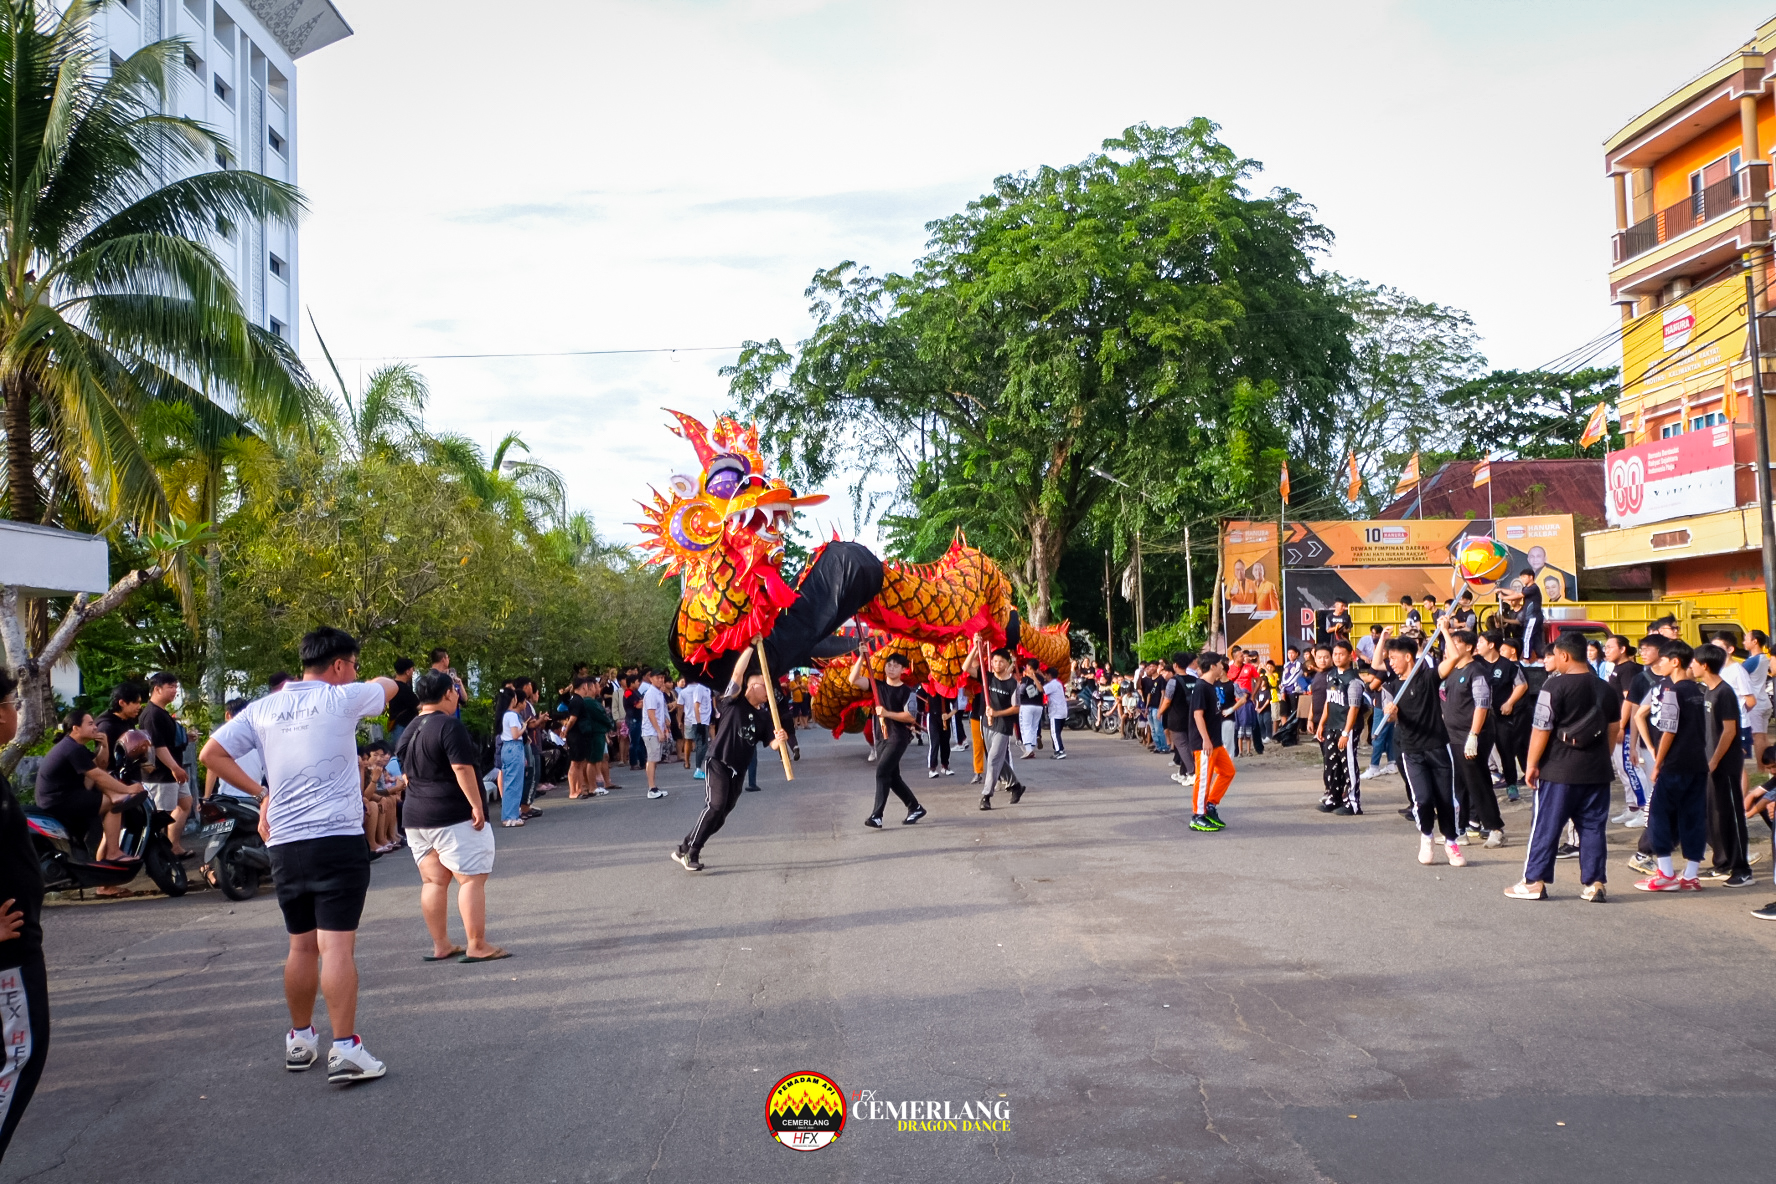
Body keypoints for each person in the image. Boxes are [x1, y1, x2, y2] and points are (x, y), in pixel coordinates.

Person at [200, 626, 398, 1085]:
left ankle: (300, 1039)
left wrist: (260, 792)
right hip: (336, 839)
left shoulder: (262, 708)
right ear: (339, 666)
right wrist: (378, 683)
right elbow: (389, 687)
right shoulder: (343, 697)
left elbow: (211, 752)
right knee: (336, 947)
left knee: (300, 944)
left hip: (285, 842)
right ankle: (346, 1049)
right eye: (353, 666)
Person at [395, 670, 506, 962]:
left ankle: (441, 943)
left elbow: (405, 773)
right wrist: (477, 805)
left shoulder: (410, 728)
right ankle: (476, 944)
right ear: (447, 694)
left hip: (416, 816)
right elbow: (462, 769)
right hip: (451, 813)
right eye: (455, 689)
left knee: (433, 881)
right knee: (470, 880)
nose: (457, 694)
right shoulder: (449, 726)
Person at [1504, 633, 1620, 901]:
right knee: (1592, 827)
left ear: (1565, 655)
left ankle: (1534, 881)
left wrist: (1531, 765)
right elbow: (1615, 729)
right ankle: (1595, 883)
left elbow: (1541, 729)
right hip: (1597, 771)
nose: (1552, 659)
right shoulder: (1605, 688)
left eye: (1554, 654)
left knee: (1546, 826)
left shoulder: (1553, 687)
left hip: (1559, 770)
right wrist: (1603, 755)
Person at [673, 650, 791, 870]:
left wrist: (780, 739)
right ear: (753, 687)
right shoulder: (732, 702)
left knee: (720, 817)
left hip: (738, 771)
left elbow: (771, 744)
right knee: (714, 806)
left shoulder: (764, 716)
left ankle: (684, 846)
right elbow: (738, 673)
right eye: (766, 687)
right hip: (718, 762)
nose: (770, 693)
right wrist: (750, 648)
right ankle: (692, 853)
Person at [0, 666, 51, 1164]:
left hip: (15, 948)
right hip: (6, 955)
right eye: (14, 702)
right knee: (18, 1057)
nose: (18, 711)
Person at [1636, 639, 1710, 892]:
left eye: (1663, 660)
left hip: (1674, 763)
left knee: (1659, 815)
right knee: (1693, 817)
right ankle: (1691, 874)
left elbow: (1668, 730)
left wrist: (1658, 762)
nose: (1659, 665)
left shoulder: (1672, 691)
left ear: (1675, 661)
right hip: (1697, 762)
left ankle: (1666, 872)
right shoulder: (1698, 691)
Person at [1383, 635, 1462, 866]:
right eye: (1389, 659)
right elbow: (1394, 720)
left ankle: (1451, 842)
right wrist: (1393, 713)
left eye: (1395, 658)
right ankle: (1426, 836)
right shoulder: (1392, 686)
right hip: (1412, 750)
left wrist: (1445, 630)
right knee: (1424, 799)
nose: (1391, 663)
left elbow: (1455, 657)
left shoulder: (1428, 677)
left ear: (1409, 657)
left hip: (1438, 746)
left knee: (1446, 799)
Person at [33, 711, 137, 875]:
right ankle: (113, 853)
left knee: (107, 791)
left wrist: (104, 745)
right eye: (90, 724)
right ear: (76, 728)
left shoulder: (75, 746)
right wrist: (127, 789)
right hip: (59, 800)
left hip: (67, 795)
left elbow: (100, 765)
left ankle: (106, 878)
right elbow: (96, 775)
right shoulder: (72, 748)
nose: (96, 727)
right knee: (114, 804)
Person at [1438, 623, 1504, 848]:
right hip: (1452, 735)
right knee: (1459, 784)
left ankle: (1494, 827)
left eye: (1456, 644)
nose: (1450, 648)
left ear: (1469, 648)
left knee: (1477, 781)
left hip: (1474, 735)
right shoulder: (1450, 670)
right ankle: (1460, 829)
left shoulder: (1477, 671)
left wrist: (1474, 735)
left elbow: (1482, 704)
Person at [1692, 644, 1754, 887]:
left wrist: (1715, 760)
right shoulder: (1707, 691)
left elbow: (1729, 732)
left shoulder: (1724, 692)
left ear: (1705, 665)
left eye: (1695, 662)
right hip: (1709, 763)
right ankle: (1723, 862)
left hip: (1724, 765)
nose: (1692, 666)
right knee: (1715, 814)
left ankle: (1742, 868)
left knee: (1732, 815)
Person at [849, 650, 926, 827]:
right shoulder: (878, 686)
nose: (891, 668)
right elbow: (853, 679)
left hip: (898, 737)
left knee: (882, 772)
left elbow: (911, 717)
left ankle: (877, 815)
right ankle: (915, 807)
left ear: (903, 670)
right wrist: (861, 657)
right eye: (889, 665)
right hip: (881, 737)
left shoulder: (908, 692)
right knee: (893, 777)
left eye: (896, 666)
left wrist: (887, 713)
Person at [137, 672, 193, 857]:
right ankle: (161, 856)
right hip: (161, 774)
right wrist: (175, 768)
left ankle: (173, 846)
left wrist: (187, 737)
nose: (175, 691)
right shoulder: (152, 714)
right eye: (171, 686)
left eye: (176, 687)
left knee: (185, 803)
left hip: (173, 770)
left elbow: (168, 739)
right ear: (157, 689)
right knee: (162, 815)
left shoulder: (161, 712)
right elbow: (158, 746)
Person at [963, 645, 1025, 809]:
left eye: (1001, 662)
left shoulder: (1013, 684)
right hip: (987, 724)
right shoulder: (987, 677)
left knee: (992, 760)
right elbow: (966, 667)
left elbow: (1016, 707)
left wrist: (996, 713)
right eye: (995, 661)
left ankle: (986, 796)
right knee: (995, 759)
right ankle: (1015, 786)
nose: (997, 664)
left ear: (1007, 664)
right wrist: (976, 648)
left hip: (1003, 726)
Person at [1476, 631, 1528, 803]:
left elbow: (1522, 685)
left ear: (1491, 645)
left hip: (1501, 716)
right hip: (1481, 716)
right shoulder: (1476, 663)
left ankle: (1511, 784)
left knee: (1506, 749)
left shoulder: (1508, 665)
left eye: (1481, 642)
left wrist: (1509, 702)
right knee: (1480, 751)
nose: (1478, 645)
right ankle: (1483, 784)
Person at [1602, 633, 1647, 826]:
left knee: (1631, 767)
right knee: (1622, 768)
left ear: (1622, 649)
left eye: (1610, 647)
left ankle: (1644, 808)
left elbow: (1630, 699)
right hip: (1618, 724)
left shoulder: (1628, 669)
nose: (1606, 651)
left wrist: (1621, 725)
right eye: (1605, 647)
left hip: (1626, 726)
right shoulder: (1618, 669)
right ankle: (1632, 807)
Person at [1189, 653, 1235, 831]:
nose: (1222, 667)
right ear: (1212, 666)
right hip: (1204, 742)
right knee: (1204, 779)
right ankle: (1198, 815)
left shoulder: (1214, 685)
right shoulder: (1201, 687)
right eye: (1219, 664)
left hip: (1216, 741)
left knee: (1228, 771)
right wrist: (1205, 740)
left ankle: (1210, 804)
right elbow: (1197, 715)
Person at [205, 699, 265, 802]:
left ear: (227, 715)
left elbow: (212, 769)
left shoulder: (222, 737)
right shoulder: (260, 736)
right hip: (255, 797)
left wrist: (206, 797)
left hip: (227, 797)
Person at [640, 670, 671, 799]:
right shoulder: (651, 694)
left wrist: (664, 729)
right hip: (650, 731)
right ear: (651, 678)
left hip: (656, 730)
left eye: (662, 677)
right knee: (652, 760)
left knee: (655, 759)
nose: (661, 680)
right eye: (658, 678)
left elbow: (661, 714)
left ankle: (654, 787)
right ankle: (651, 788)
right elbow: (651, 714)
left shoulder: (659, 693)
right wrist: (658, 730)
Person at [679, 676, 713, 781]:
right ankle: (698, 770)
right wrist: (698, 722)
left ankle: (701, 769)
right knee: (701, 745)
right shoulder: (699, 688)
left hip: (705, 720)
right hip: (699, 721)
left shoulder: (707, 688)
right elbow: (696, 705)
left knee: (704, 745)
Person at [1017, 659, 1047, 757]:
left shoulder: (1025, 679)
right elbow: (1041, 690)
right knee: (1034, 726)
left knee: (1025, 726)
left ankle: (1028, 749)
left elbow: (1021, 691)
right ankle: (1032, 748)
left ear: (1029, 667)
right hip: (1038, 705)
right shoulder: (1041, 678)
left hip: (1026, 705)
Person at [387, 659, 419, 747]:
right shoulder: (403, 688)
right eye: (412, 669)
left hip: (397, 726)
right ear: (407, 671)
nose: (413, 671)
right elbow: (418, 706)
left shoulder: (392, 685)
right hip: (403, 727)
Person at [925, 690, 954, 777]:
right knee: (935, 742)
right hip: (933, 717)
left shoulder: (948, 685)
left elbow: (956, 703)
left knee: (945, 742)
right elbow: (919, 694)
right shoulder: (930, 686)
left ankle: (945, 766)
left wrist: (949, 715)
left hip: (946, 717)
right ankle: (932, 768)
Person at [1042, 668, 1069, 759]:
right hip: (1062, 711)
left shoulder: (1052, 684)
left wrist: (1034, 677)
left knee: (1054, 733)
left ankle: (1060, 750)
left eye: (1045, 675)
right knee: (1057, 732)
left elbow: (1041, 689)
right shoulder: (1058, 683)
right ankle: (1057, 749)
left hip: (1055, 712)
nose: (1045, 677)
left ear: (1049, 675)